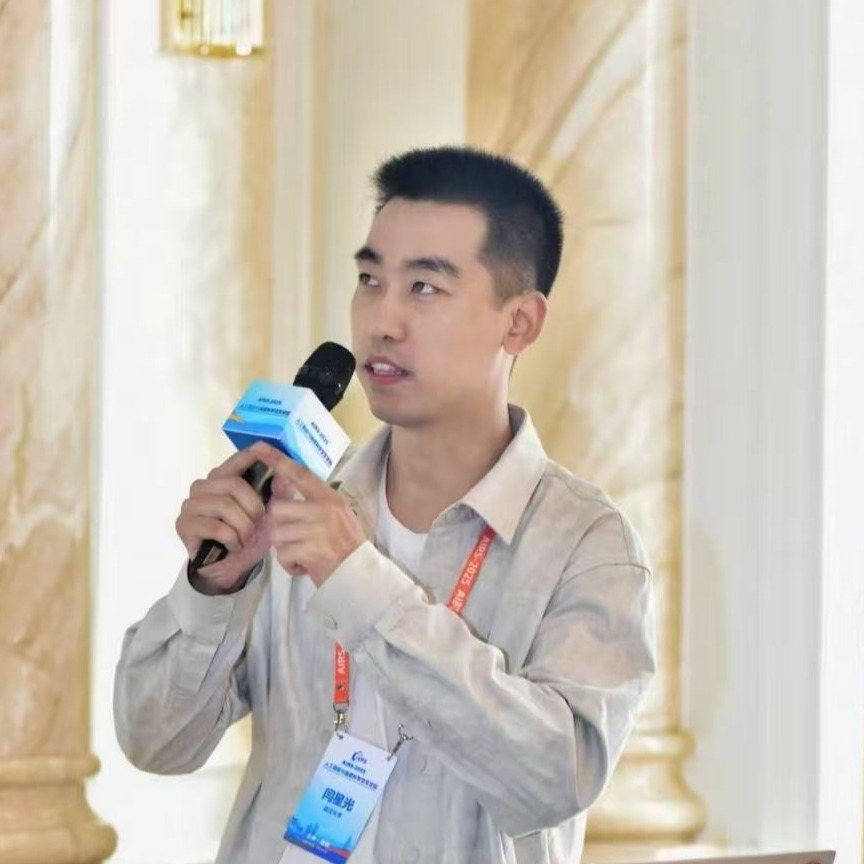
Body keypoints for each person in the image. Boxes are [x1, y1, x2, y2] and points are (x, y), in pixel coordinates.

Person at [114, 146, 656, 864]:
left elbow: (557, 779)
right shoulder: (297, 502)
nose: (383, 320)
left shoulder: (586, 545)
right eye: (370, 280)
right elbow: (154, 740)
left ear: (520, 323)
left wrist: (358, 583)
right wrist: (214, 589)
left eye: (425, 287)